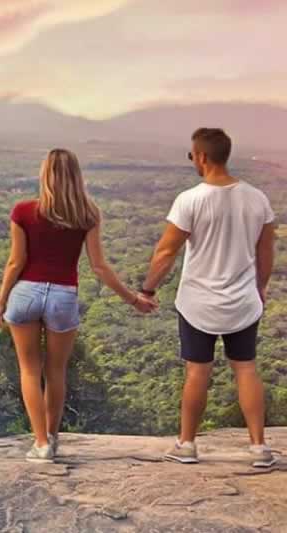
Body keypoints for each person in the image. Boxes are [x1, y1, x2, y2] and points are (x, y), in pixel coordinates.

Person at [0, 148, 157, 464]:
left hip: (25, 293)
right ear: (76, 177)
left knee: (29, 370)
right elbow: (99, 267)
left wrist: (1, 301)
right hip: (63, 296)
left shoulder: (23, 211)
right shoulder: (88, 214)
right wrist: (133, 299)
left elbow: (16, 262)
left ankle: (39, 444)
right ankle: (52, 438)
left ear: (45, 175)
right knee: (56, 371)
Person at [141, 128, 278, 468]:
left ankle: (187, 444)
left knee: (197, 373)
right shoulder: (257, 198)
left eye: (192, 156)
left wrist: (147, 290)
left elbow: (166, 252)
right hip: (243, 301)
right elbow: (266, 253)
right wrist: (259, 287)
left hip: (198, 303)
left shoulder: (190, 200)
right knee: (245, 368)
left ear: (202, 156)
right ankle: (259, 448)